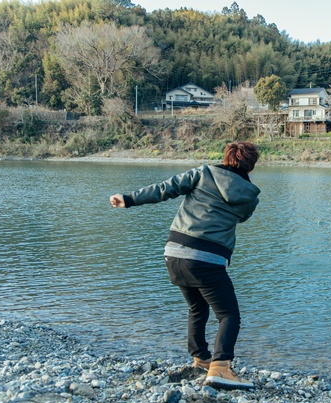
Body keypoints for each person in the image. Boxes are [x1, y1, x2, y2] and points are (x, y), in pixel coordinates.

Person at [109, 141, 260, 390]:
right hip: (208, 259)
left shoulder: (202, 173)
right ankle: (221, 367)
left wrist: (128, 199)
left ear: (225, 157)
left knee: (197, 308)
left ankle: (201, 359)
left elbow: (165, 189)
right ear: (251, 165)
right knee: (229, 315)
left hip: (174, 253)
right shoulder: (250, 196)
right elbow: (242, 217)